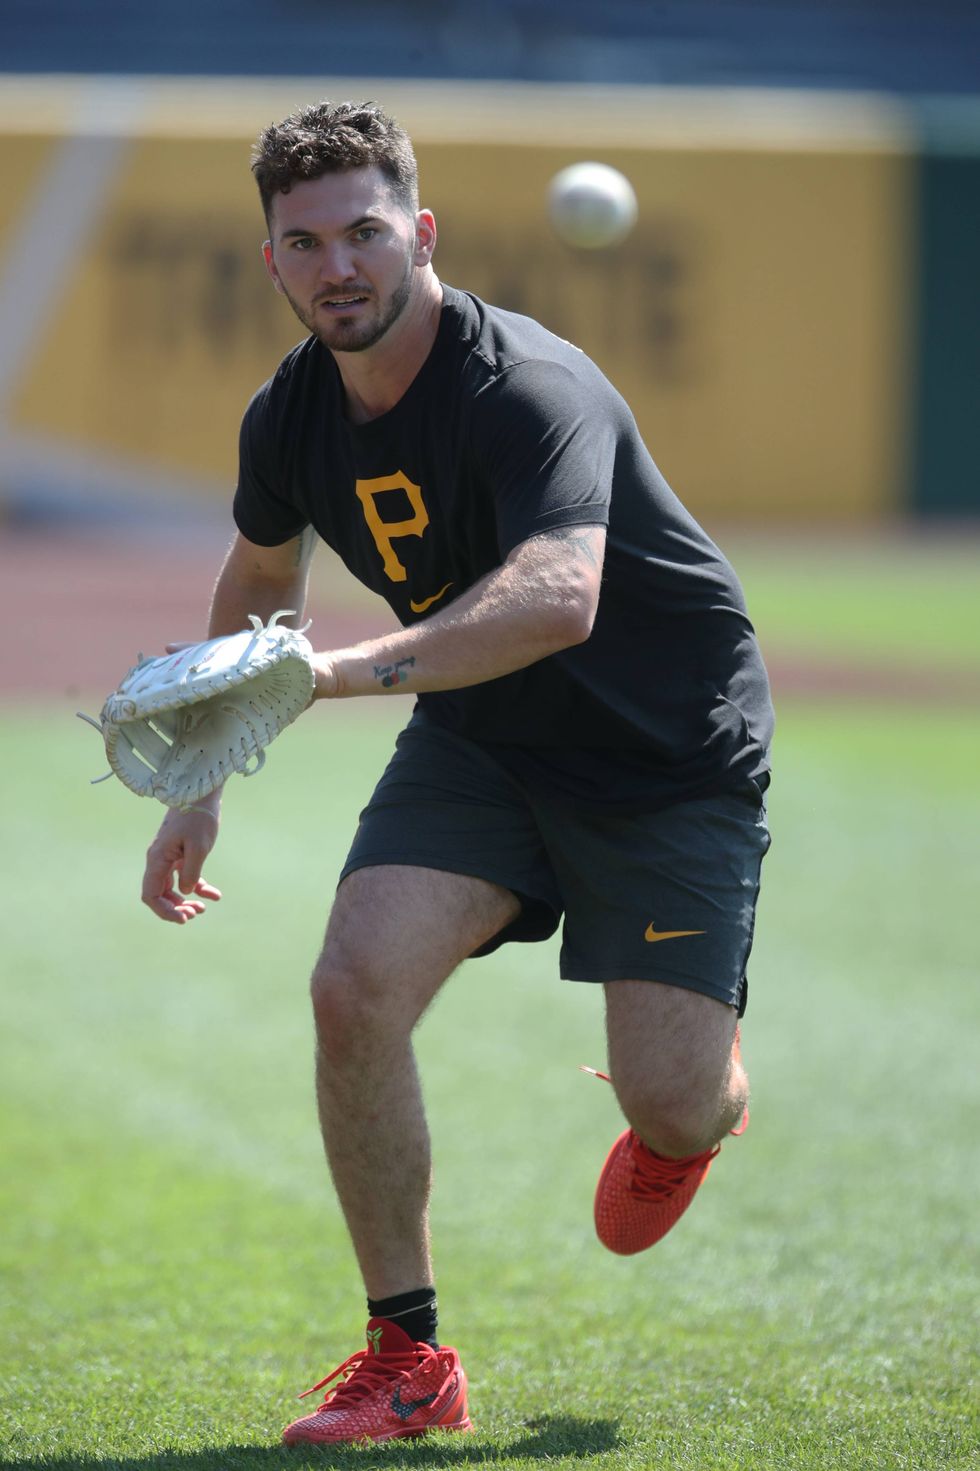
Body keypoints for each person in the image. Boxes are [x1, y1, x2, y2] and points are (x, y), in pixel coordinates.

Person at [141, 101, 774, 1446]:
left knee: (671, 1091)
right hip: (484, 740)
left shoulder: (530, 384)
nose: (338, 268)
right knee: (352, 987)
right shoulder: (294, 411)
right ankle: (408, 1357)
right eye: (304, 243)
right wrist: (201, 777)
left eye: (365, 232)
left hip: (662, 750)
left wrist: (332, 675)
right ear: (272, 263)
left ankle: (694, 1111)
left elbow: (557, 600)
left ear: (419, 234)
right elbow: (261, 577)